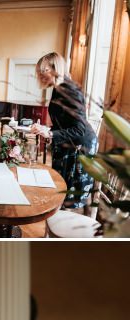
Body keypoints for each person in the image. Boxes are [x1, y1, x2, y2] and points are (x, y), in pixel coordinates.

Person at [33, 51, 96, 208]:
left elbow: (80, 129)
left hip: (80, 146)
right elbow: (65, 122)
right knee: (60, 188)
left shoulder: (70, 91)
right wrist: (47, 129)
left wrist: (51, 133)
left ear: (56, 69)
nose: (40, 75)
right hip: (68, 143)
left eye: (44, 71)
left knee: (69, 197)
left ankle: (64, 221)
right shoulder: (57, 88)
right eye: (39, 71)